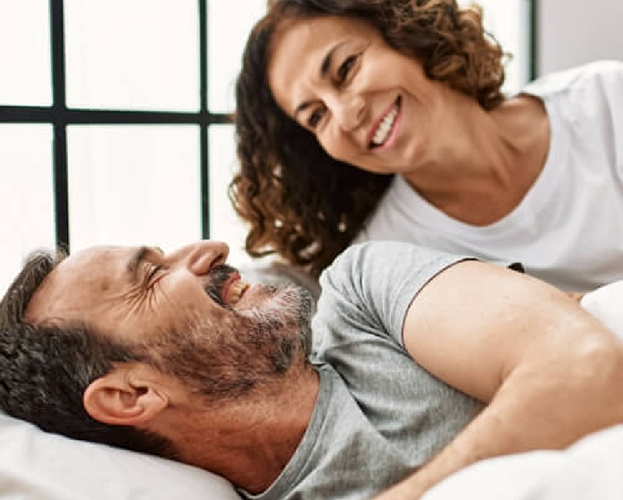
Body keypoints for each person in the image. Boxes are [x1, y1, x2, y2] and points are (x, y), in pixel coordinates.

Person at [2, 239, 623, 500]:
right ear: (131, 394)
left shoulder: (362, 292)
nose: (211, 250)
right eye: (154, 274)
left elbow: (587, 367)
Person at [231, 0, 623, 291]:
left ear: (406, 33)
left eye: (346, 69)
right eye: (317, 116)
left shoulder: (606, 101)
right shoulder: (389, 257)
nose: (347, 116)